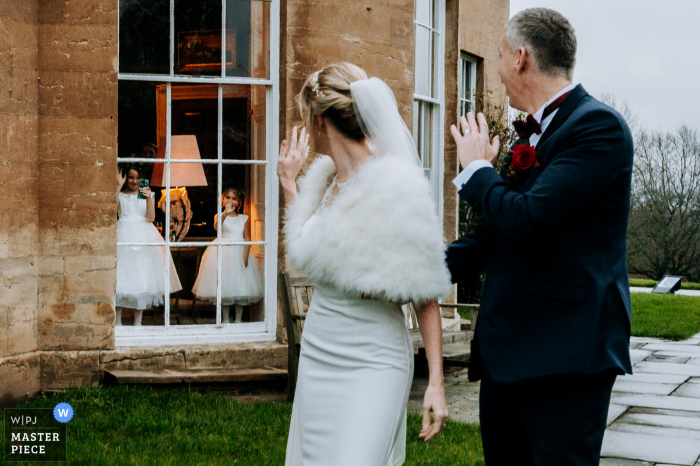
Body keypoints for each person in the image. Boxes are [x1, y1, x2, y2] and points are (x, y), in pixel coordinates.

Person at [446, 8, 633, 466]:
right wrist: (417, 269)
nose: (499, 66)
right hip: (508, 351)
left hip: (564, 355)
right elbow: (497, 232)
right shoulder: (535, 134)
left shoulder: (598, 128)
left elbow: (528, 218)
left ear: (522, 58)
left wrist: (477, 169)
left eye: (501, 54)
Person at [279, 63, 452, 466]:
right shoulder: (322, 180)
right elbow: (305, 251)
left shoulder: (396, 186)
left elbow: (426, 298)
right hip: (320, 350)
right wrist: (290, 185)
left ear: (322, 120)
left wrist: (437, 384)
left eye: (308, 118)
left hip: (374, 358)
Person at [116, 164, 182, 325]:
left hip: (143, 234)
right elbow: (113, 212)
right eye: (131, 177)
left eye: (138, 178)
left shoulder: (148, 194)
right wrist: (117, 187)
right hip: (123, 233)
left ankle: (137, 322)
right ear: (125, 177)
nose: (134, 181)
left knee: (142, 277)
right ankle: (117, 322)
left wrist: (148, 199)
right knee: (121, 277)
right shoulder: (120, 195)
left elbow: (150, 218)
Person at [191, 184, 264, 323]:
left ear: (239, 202)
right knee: (225, 287)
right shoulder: (219, 216)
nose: (231, 201)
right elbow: (217, 228)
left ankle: (238, 319)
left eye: (234, 198)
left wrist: (246, 254)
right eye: (228, 198)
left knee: (241, 287)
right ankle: (225, 319)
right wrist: (225, 213)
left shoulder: (243, 218)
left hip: (239, 252)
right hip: (223, 252)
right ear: (223, 200)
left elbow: (247, 237)